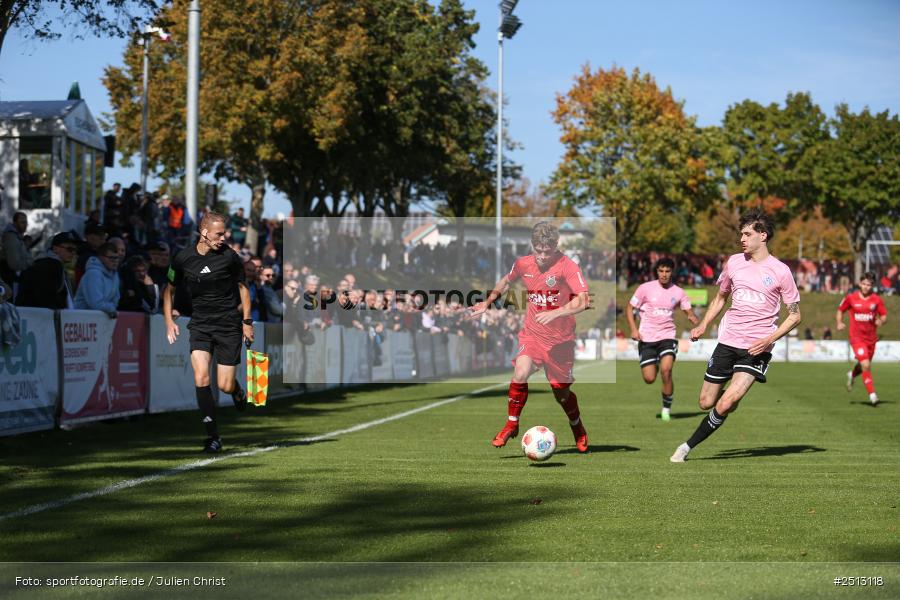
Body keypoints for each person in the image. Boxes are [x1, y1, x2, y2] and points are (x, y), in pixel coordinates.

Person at [670, 210, 801, 463]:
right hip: (728, 342)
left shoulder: (781, 271)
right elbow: (721, 297)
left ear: (763, 235)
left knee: (725, 404)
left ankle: (685, 447)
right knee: (705, 402)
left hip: (756, 348)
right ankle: (729, 400)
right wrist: (704, 325)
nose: (742, 239)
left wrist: (769, 339)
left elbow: (795, 316)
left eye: (747, 234)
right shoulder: (734, 262)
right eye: (741, 234)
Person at [469, 221, 591, 453]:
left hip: (560, 341)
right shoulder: (523, 263)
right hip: (532, 335)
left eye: (547, 251)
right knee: (520, 373)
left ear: (556, 246)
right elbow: (506, 281)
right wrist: (487, 302)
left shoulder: (568, 266)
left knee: (561, 394)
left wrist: (556, 312)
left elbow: (584, 300)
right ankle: (511, 424)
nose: (542, 256)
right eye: (538, 250)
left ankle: (577, 427)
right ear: (532, 246)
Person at [163, 211, 252, 453]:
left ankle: (237, 391)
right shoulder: (182, 258)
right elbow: (169, 289)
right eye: (219, 234)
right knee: (201, 377)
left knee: (224, 385)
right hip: (200, 325)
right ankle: (213, 437)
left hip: (228, 326)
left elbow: (243, 289)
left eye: (225, 234)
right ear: (204, 232)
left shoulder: (230, 257)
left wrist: (247, 321)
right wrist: (168, 320)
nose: (223, 238)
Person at [626, 257, 699, 422]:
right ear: (657, 272)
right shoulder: (645, 288)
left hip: (667, 337)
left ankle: (666, 409)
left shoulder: (679, 292)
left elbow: (688, 310)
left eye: (667, 271)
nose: (664, 274)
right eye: (661, 271)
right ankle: (655, 362)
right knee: (649, 378)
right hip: (647, 339)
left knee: (666, 371)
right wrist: (633, 329)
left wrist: (693, 318)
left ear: (672, 272)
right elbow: (629, 308)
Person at [837, 272, 887, 406]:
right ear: (860, 284)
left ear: (872, 286)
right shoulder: (851, 298)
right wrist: (839, 322)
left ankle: (852, 375)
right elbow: (840, 310)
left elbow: (883, 316)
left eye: (869, 285)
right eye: (864, 284)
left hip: (871, 339)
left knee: (863, 365)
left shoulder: (876, 300)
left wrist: (881, 321)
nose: (866, 287)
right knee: (865, 365)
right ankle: (872, 395)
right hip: (856, 338)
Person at [15, 232, 81, 309]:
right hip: (34, 315)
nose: (73, 253)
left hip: (28, 313)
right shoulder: (52, 265)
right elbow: (48, 300)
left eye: (75, 250)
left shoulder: (46, 263)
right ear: (55, 249)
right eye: (70, 249)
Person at [74, 242, 121, 318]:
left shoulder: (115, 274)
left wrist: (111, 308)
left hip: (101, 318)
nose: (115, 261)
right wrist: (111, 309)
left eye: (116, 258)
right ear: (100, 257)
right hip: (81, 319)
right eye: (111, 258)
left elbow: (115, 299)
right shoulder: (93, 274)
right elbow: (95, 303)